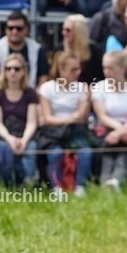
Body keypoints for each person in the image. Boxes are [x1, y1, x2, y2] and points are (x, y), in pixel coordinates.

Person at [37, 51, 93, 196]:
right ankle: (57, 188)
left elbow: (82, 117)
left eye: (78, 68)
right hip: (53, 132)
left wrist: (87, 99)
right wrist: (68, 119)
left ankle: (80, 187)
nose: (77, 72)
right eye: (73, 69)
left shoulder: (81, 88)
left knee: (86, 153)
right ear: (61, 69)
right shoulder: (47, 88)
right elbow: (47, 117)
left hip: (75, 131)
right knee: (55, 153)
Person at [92, 50, 127, 190]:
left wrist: (121, 131)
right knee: (108, 151)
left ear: (122, 68)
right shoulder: (99, 87)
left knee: (125, 150)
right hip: (106, 130)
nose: (106, 71)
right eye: (104, 67)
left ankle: (117, 181)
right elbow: (101, 116)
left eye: (110, 68)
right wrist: (119, 130)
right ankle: (106, 182)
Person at [0, 53, 39, 186]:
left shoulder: (31, 93)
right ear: (3, 71)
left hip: (25, 133)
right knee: (3, 148)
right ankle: (7, 183)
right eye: (8, 68)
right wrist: (10, 139)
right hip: (4, 134)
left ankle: (28, 182)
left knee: (31, 147)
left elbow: (32, 122)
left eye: (17, 69)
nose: (12, 72)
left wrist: (24, 140)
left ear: (23, 71)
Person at [0, 11, 50, 90]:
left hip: (31, 96)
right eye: (10, 28)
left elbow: (43, 77)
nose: (14, 31)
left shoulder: (37, 49)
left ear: (26, 30)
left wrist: (35, 96)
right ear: (6, 30)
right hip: (3, 97)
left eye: (19, 28)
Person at [62, 13, 104, 84]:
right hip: (65, 90)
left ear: (79, 31)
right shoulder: (60, 50)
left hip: (91, 90)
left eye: (68, 30)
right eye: (63, 29)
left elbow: (100, 76)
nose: (64, 33)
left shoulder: (94, 50)